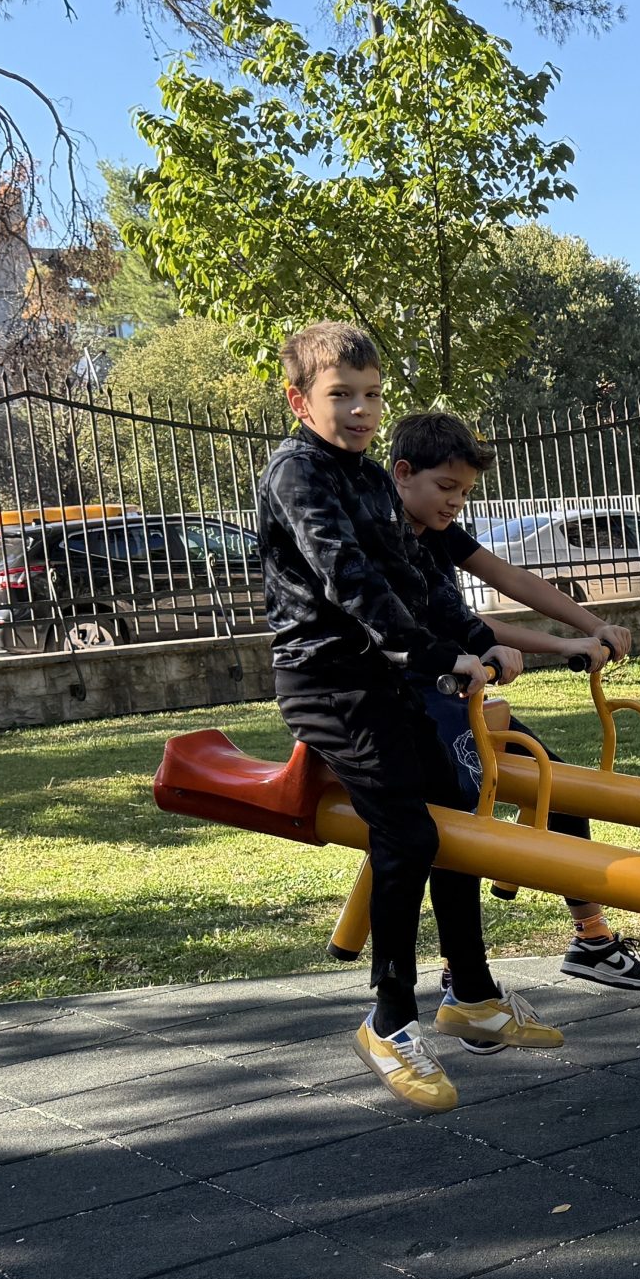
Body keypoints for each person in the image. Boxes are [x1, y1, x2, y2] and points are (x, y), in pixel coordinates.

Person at [256, 323, 561, 1113]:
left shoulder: (366, 477)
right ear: (300, 401)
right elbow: (348, 578)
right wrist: (436, 656)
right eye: (341, 395)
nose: (361, 410)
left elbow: (416, 579)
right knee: (410, 833)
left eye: (371, 395)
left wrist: (473, 640)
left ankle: (473, 996)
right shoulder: (297, 472)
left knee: (456, 815)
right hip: (327, 683)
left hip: (382, 680)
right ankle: (388, 1020)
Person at [386, 410, 640, 995]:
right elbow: (455, 628)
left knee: (553, 783)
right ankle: (463, 971)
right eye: (446, 486)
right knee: (460, 821)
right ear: (403, 473)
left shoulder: (437, 531)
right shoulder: (382, 540)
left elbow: (510, 580)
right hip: (408, 704)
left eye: (465, 492)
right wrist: (554, 644)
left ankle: (592, 937)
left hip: (460, 697)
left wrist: (589, 627)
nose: (456, 501)